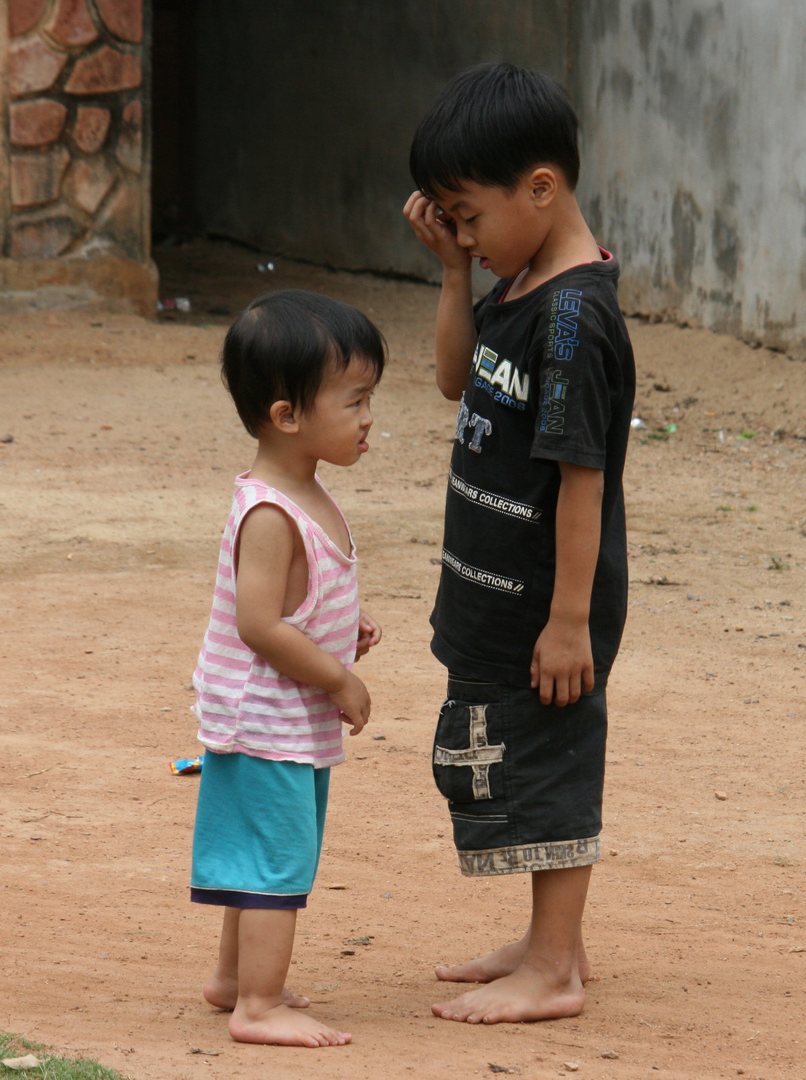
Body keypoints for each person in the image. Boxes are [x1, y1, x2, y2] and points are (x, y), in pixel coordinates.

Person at [401, 62, 636, 1024]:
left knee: (550, 763)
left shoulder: (575, 318)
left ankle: (555, 971)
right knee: (508, 754)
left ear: (541, 189)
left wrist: (569, 620)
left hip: (550, 602)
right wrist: (458, 269)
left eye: (468, 217)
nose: (461, 234)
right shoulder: (518, 282)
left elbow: (582, 479)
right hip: (498, 592)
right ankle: (551, 943)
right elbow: (455, 379)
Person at [188, 289, 385, 1047]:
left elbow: (297, 603)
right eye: (355, 399)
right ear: (288, 417)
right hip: (266, 720)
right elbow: (260, 622)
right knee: (277, 861)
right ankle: (258, 1007)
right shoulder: (271, 510)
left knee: (261, 850)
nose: (369, 416)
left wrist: (343, 627)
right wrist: (337, 678)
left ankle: (233, 979)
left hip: (283, 719)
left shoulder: (308, 489)